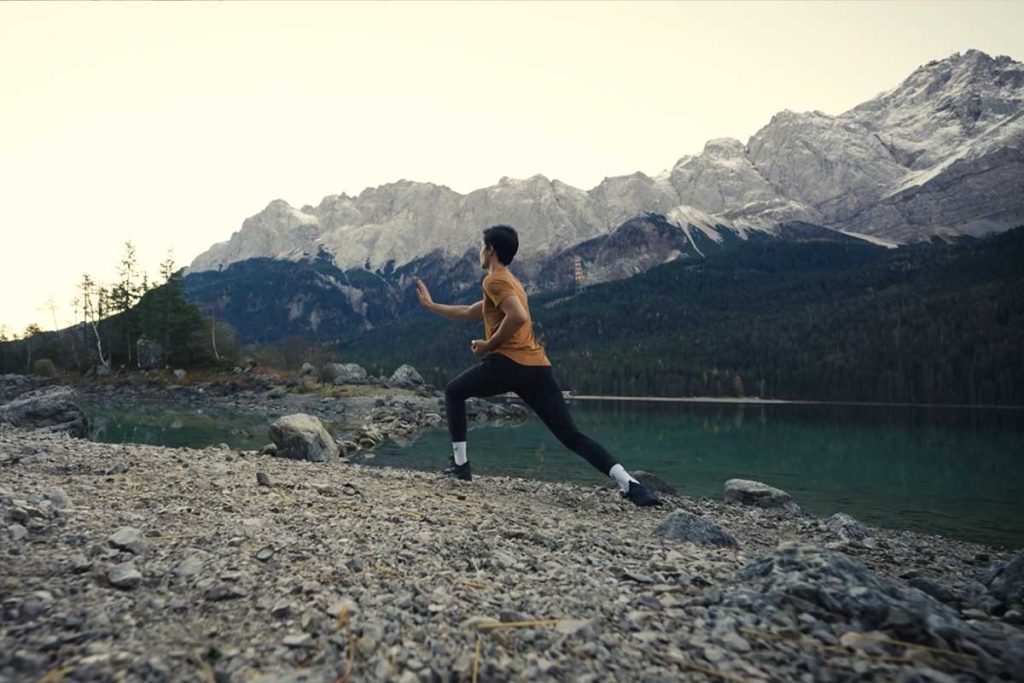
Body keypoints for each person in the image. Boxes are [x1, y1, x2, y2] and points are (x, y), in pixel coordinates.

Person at [415, 224, 663, 507]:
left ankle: (461, 467)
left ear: (491, 250)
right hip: (537, 368)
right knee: (571, 436)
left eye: (482, 247)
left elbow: (518, 317)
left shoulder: (493, 281)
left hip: (508, 364)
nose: (480, 252)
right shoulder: (511, 282)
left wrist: (489, 345)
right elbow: (473, 311)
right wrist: (433, 306)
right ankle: (630, 484)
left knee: (454, 392)